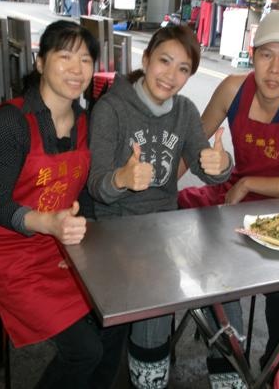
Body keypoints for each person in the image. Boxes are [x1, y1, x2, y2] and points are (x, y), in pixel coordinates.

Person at [178, 10, 279, 386]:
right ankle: (225, 353)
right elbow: (190, 147)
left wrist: (249, 183)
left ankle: (276, 369)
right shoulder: (233, 88)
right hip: (234, 203)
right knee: (186, 235)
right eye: (266, 55)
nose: (275, 69)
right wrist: (154, 191)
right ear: (253, 54)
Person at [0, 20, 127, 389]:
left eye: (86, 60)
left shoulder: (85, 122)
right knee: (85, 351)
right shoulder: (11, 122)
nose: (77, 69)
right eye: (65, 57)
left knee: (117, 320)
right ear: (41, 62)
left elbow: (83, 196)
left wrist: (81, 248)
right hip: (12, 256)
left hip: (61, 248)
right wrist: (47, 224)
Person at [87, 25, 234, 389]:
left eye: (183, 69)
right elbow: (96, 187)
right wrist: (122, 178)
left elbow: (205, 166)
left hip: (165, 229)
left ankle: (233, 374)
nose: (171, 75)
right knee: (153, 291)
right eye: (164, 61)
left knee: (225, 285)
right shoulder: (111, 109)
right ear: (147, 58)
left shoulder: (184, 111)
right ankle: (149, 379)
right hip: (117, 228)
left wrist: (221, 164)